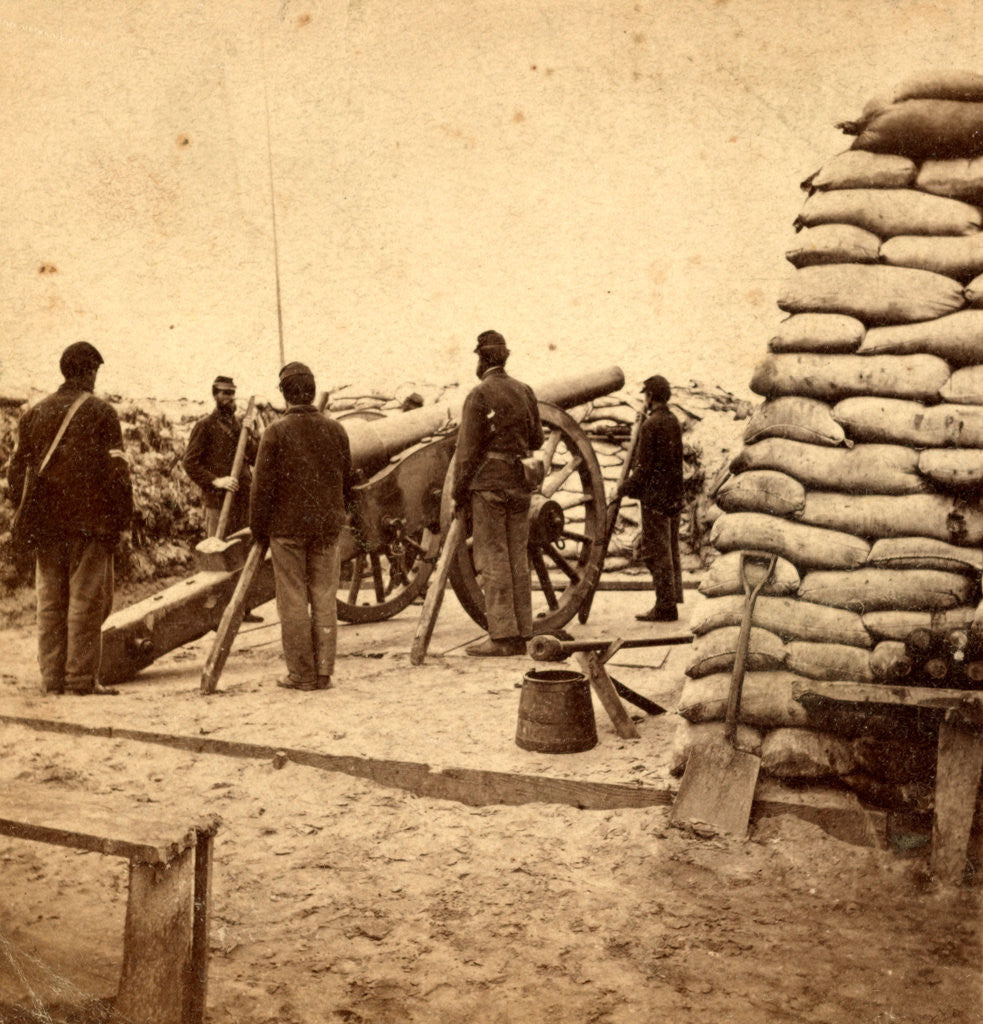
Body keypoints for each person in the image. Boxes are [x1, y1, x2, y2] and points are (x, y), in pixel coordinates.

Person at [7, 342, 133, 695]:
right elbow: (117, 473)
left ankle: (52, 679)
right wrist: (122, 522)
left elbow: (16, 475)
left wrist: (30, 511)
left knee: (50, 603)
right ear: (89, 372)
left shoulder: (33, 414)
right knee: (86, 601)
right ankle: (79, 679)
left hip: (45, 528)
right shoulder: (102, 412)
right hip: (91, 526)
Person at [249, 362, 353, 691]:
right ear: (311, 389)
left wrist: (258, 530)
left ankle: (300, 674)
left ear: (284, 394)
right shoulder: (336, 430)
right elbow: (347, 481)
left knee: (292, 599)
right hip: (326, 528)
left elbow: (261, 489)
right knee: (324, 597)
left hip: (287, 530)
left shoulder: (275, 432)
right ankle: (323, 673)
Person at [452, 330, 544, 657]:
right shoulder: (525, 391)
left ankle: (502, 637)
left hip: (489, 485)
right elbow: (537, 440)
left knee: (494, 558)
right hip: (519, 483)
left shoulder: (479, 395)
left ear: (481, 359)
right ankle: (523, 632)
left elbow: (466, 452)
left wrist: (456, 493)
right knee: (518, 557)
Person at [621, 374, 684, 622]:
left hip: (655, 500)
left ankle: (665, 606)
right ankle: (670, 601)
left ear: (649, 397)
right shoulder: (673, 421)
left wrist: (626, 488)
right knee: (670, 551)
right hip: (673, 498)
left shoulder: (651, 426)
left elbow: (644, 469)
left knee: (656, 553)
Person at [182, 375, 258, 540]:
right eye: (225, 393)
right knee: (218, 553)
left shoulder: (240, 426)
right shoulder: (205, 425)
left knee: (242, 552)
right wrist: (216, 481)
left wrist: (251, 433)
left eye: (232, 393)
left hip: (242, 502)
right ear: (215, 395)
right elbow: (189, 463)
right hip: (218, 503)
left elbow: (254, 458)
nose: (230, 398)